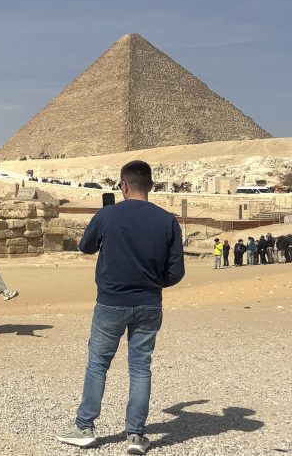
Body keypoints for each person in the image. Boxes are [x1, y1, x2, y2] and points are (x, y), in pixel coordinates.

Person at [57, 160, 184, 455]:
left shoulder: (108, 215)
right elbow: (176, 272)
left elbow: (85, 247)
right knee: (140, 368)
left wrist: (103, 221)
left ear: (123, 186)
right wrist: (151, 283)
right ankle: (136, 436)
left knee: (98, 365)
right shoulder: (167, 220)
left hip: (111, 303)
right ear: (151, 186)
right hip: (149, 303)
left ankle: (84, 427)